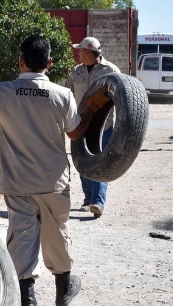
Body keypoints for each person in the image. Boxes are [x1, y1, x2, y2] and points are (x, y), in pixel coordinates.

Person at [0, 34, 108, 306]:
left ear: (21, 61)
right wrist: (91, 109)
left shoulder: (3, 91)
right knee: (57, 232)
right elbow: (76, 133)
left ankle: (27, 298)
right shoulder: (62, 95)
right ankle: (64, 289)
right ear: (50, 63)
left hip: (17, 184)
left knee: (21, 239)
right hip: (53, 182)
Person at [63, 36, 120, 218]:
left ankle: (98, 202)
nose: (78, 53)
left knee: (101, 163)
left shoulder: (111, 71)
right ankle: (88, 200)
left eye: (80, 50)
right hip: (80, 123)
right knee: (82, 162)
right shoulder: (76, 72)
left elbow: (122, 96)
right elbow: (67, 93)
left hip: (104, 125)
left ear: (88, 51)